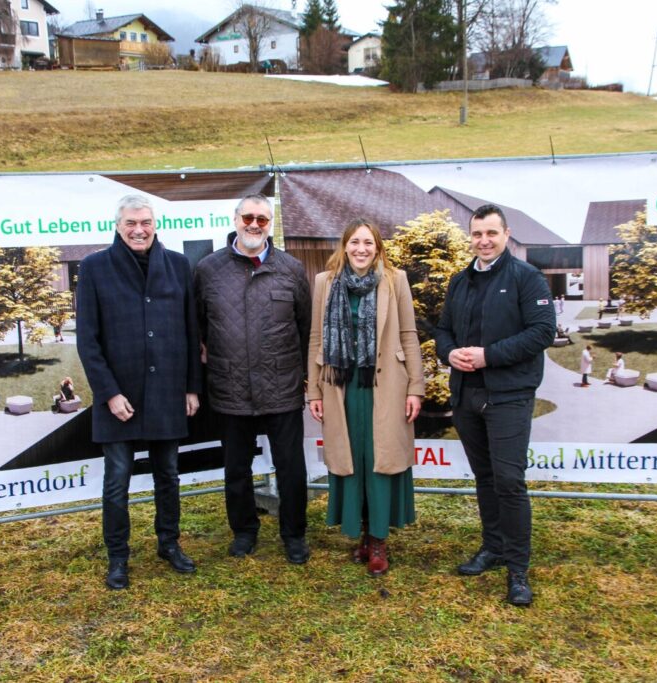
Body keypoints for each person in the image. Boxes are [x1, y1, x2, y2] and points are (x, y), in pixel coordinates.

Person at [76, 194, 202, 590]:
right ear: (118, 226)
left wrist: (191, 387)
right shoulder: (94, 268)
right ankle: (118, 557)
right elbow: (87, 340)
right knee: (117, 481)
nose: (139, 229)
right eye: (131, 223)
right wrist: (109, 393)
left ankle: (169, 543)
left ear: (154, 224)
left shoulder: (179, 266)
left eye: (145, 222)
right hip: (118, 399)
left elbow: (191, 330)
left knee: (168, 475)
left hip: (167, 391)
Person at [434, 204, 556, 607]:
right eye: (476, 234)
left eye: (491, 233)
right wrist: (449, 354)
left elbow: (542, 331)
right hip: (467, 394)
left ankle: (518, 569)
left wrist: (489, 356)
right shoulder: (459, 281)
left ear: (506, 235)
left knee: (509, 480)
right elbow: (444, 331)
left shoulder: (527, 277)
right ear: (470, 237)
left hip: (508, 395)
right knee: (485, 477)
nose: (483, 241)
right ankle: (494, 547)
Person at [195, 193, 312, 565]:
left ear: (270, 225)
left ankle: (294, 534)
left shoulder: (291, 270)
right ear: (235, 219)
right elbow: (199, 327)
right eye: (249, 217)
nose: (254, 225)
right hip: (230, 388)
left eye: (263, 219)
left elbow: (305, 328)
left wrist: (305, 377)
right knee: (236, 469)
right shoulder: (208, 270)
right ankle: (244, 531)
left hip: (282, 387)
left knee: (291, 467)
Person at [307, 220, 424, 577]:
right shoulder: (324, 283)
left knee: (379, 459)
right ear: (344, 246)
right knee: (351, 459)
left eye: (368, 243)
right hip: (340, 384)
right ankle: (359, 532)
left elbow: (408, 334)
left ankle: (378, 541)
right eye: (355, 242)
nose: (361, 249)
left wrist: (416, 387)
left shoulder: (395, 280)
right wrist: (313, 389)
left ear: (378, 247)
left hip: (385, 384)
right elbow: (315, 337)